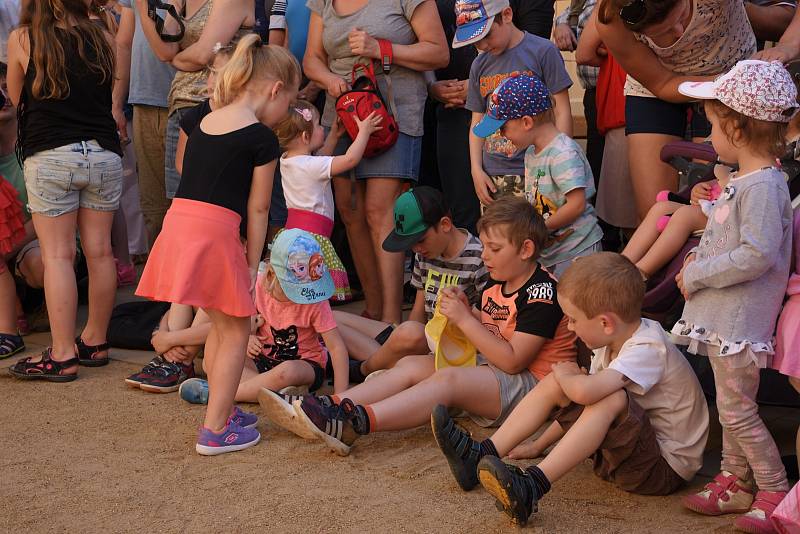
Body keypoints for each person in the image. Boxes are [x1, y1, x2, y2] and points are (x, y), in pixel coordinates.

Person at [260, 196, 576, 456]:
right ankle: (333, 406)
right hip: (493, 372)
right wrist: (465, 313)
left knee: (449, 379)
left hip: (532, 388)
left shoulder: (541, 290)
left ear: (526, 249)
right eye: (486, 247)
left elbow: (513, 361)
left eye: (495, 249)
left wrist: (465, 320)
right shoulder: (498, 282)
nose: (486, 255)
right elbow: (488, 333)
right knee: (413, 364)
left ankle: (355, 422)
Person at [433, 253, 708, 526]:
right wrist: (540, 444)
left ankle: (533, 487)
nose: (571, 328)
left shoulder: (648, 347)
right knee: (569, 382)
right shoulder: (611, 342)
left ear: (605, 323)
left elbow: (586, 396)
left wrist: (566, 375)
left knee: (603, 395)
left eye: (573, 320)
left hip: (661, 469)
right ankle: (480, 455)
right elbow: (584, 403)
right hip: (629, 456)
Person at [136, 36, 300, 455]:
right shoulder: (261, 138)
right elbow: (259, 207)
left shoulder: (205, 119)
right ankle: (215, 430)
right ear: (275, 89)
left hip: (180, 225)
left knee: (224, 325)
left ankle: (223, 411)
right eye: (291, 102)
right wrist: (251, 265)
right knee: (236, 328)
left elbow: (193, 174)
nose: (289, 113)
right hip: (214, 233)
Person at [672, 60, 795, 532]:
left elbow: (755, 255)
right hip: (726, 317)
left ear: (738, 129)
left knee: (739, 412)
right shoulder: (750, 180)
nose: (710, 138)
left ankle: (772, 488)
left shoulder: (763, 185)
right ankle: (734, 480)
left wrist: (699, 274)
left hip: (740, 321)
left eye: (713, 127)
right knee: (731, 407)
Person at [303, 0, 449, 324]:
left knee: (380, 211)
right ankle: (373, 308)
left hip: (392, 113)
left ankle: (390, 319)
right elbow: (312, 58)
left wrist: (381, 48)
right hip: (341, 111)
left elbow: (439, 53)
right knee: (349, 209)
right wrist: (327, 78)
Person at [7, 0, 123, 381]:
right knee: (101, 252)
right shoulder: (104, 35)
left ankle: (61, 354)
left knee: (57, 255)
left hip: (51, 154)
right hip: (103, 153)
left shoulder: (24, 38)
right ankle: (96, 341)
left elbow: (16, 97)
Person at [596, 0, 755, 221]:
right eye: (663, 33)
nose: (680, 31)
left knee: (712, 202)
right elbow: (663, 84)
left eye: (681, 17)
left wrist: (788, 45)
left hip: (729, 76)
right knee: (654, 212)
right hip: (659, 84)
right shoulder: (612, 22)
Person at [180, 230, 350, 404]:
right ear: (270, 275)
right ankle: (278, 394)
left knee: (288, 371)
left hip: (305, 365)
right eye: (294, 291)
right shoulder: (256, 285)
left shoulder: (315, 298)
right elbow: (237, 325)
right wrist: (248, 337)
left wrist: (340, 396)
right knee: (216, 361)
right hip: (260, 361)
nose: (302, 296)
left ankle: (219, 395)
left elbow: (336, 348)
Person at [339, 186, 489, 382]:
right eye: (411, 243)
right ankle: (382, 359)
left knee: (409, 333)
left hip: (449, 347)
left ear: (445, 224)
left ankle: (362, 369)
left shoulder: (480, 258)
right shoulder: (426, 252)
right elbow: (418, 311)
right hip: (418, 340)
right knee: (330, 318)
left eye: (421, 240)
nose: (416, 249)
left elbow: (486, 325)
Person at [474, 74, 602, 277]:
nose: (501, 135)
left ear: (526, 122)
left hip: (577, 249)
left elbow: (576, 204)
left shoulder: (563, 153)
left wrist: (538, 229)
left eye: (503, 128)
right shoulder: (532, 152)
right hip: (551, 252)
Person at [457, 0, 573, 207]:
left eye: (487, 35)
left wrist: (561, 162)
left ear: (507, 15)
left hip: (541, 168)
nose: (482, 46)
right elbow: (477, 121)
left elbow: (562, 110)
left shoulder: (543, 51)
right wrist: (476, 169)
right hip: (495, 175)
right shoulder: (479, 65)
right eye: (475, 42)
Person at [135, 0, 254, 200]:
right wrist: (142, 6)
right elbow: (165, 50)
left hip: (216, 105)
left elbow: (203, 54)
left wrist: (177, 59)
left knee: (209, 199)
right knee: (179, 200)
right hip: (181, 105)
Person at [273, 100, 384, 301]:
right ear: (306, 136)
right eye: (317, 125)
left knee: (303, 294)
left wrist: (333, 135)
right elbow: (350, 160)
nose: (321, 128)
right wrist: (364, 132)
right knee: (314, 296)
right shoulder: (310, 166)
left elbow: (319, 160)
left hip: (295, 236)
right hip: (313, 241)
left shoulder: (288, 160)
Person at [114, 0, 175, 248]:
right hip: (143, 103)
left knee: (187, 205)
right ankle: (158, 283)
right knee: (154, 208)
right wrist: (116, 104)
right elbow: (124, 42)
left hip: (190, 104)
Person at [622, 165, 729, 278]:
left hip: (726, 217)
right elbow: (718, 182)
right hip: (711, 207)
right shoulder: (729, 167)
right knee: (662, 208)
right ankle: (622, 263)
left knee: (685, 215)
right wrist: (698, 190)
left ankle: (639, 274)